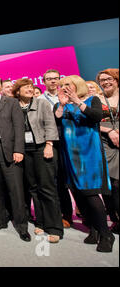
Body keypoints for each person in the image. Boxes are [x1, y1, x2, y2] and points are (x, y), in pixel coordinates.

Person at [54, 75, 115, 252]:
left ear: (77, 85)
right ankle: (94, 229)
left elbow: (96, 116)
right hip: (69, 155)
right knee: (78, 194)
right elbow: (56, 120)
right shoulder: (61, 103)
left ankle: (106, 234)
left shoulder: (91, 99)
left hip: (89, 154)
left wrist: (76, 101)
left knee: (91, 193)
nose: (64, 87)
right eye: (62, 85)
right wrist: (64, 104)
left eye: (67, 84)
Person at [0, 75, 31, 242]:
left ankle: (22, 226)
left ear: (1, 86)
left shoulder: (12, 103)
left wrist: (19, 150)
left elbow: (18, 128)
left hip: (8, 149)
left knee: (16, 189)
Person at [12, 79, 63, 243]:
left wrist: (49, 144)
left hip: (42, 148)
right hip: (25, 151)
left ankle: (54, 227)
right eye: (24, 87)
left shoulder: (42, 103)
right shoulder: (14, 106)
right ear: (17, 91)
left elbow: (50, 125)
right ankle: (40, 222)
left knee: (47, 188)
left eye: (30, 87)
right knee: (33, 188)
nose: (29, 89)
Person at [38, 69, 74, 228]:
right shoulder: (39, 99)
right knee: (55, 180)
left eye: (55, 78)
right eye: (49, 79)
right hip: (51, 143)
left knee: (70, 180)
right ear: (43, 81)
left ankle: (76, 212)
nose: (53, 81)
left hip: (71, 141)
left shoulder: (70, 97)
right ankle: (61, 215)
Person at [96, 69, 119, 234]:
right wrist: (108, 131)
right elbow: (89, 121)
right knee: (112, 183)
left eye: (109, 79)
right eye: (102, 80)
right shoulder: (97, 99)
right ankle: (116, 218)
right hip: (105, 141)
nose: (105, 82)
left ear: (116, 80)